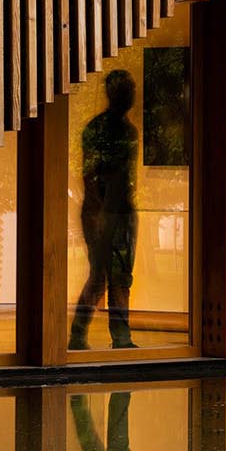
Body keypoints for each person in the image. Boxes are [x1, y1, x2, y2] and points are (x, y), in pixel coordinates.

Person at [69, 69, 139, 350]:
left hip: (119, 212)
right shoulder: (103, 130)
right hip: (104, 213)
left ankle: (117, 337)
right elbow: (92, 175)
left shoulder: (125, 129)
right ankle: (83, 333)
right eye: (127, 91)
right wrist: (100, 215)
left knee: (117, 278)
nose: (131, 96)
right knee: (102, 276)